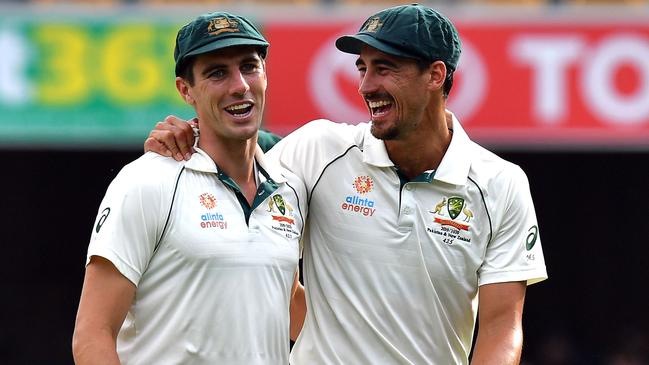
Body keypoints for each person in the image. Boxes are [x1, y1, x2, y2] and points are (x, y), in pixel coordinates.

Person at [145, 4, 548, 364]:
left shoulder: (500, 184)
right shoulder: (320, 149)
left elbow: (501, 326)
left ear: (435, 75)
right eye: (363, 67)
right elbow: (242, 155)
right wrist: (191, 134)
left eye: (384, 68)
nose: (365, 85)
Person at [72, 11, 307, 364]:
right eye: (217, 73)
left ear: (265, 74)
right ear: (186, 90)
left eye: (249, 66)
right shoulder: (146, 181)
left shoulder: (288, 185)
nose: (239, 85)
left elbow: (287, 303)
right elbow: (92, 335)